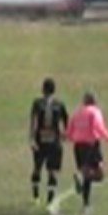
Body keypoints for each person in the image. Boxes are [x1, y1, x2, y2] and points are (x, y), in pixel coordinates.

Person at [66, 91, 108, 214]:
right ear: (94, 101)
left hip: (78, 146)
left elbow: (69, 131)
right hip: (91, 145)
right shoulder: (94, 112)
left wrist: (68, 138)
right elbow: (99, 127)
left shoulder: (77, 113)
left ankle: (86, 205)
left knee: (87, 176)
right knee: (99, 175)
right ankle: (85, 204)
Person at [29, 78, 69, 206]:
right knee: (52, 170)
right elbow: (66, 122)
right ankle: (50, 200)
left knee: (38, 168)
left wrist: (31, 139)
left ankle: (36, 196)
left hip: (41, 140)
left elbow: (33, 122)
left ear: (43, 89)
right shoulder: (59, 104)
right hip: (54, 142)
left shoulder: (37, 103)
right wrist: (65, 135)